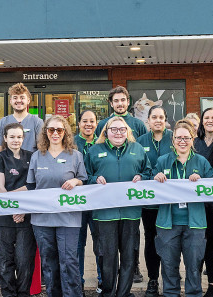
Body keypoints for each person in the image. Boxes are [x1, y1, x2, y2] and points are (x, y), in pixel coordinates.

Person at [85, 116, 151, 297]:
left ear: (128, 131)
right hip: (104, 214)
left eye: (122, 129)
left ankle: (124, 293)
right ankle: (108, 293)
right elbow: (85, 176)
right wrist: (94, 179)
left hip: (131, 213)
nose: (118, 132)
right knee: (108, 257)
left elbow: (148, 171)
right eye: (113, 129)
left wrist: (142, 177)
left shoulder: (137, 149)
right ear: (106, 132)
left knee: (129, 257)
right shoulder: (94, 150)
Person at [152, 120, 213, 297]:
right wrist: (156, 178)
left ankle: (194, 294)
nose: (182, 141)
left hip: (195, 223)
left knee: (193, 265)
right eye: (178, 137)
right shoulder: (163, 161)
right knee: (169, 265)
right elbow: (149, 188)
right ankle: (171, 294)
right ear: (173, 140)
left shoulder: (201, 162)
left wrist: (202, 180)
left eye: (186, 138)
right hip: (167, 223)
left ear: (192, 139)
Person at [28, 115, 88, 297]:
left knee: (69, 260)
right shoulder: (37, 156)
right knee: (48, 261)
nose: (55, 133)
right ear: (45, 132)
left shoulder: (75, 156)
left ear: (65, 133)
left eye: (59, 130)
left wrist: (75, 181)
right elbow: (31, 186)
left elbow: (84, 180)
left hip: (68, 218)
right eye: (51, 130)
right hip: (42, 219)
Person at [135, 105, 174, 297]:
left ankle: (171, 277)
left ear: (166, 119)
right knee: (151, 240)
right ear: (148, 121)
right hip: (149, 203)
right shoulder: (140, 141)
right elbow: (139, 167)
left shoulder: (174, 138)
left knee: (170, 240)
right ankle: (152, 279)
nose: (158, 120)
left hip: (171, 202)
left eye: (161, 117)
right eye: (154, 117)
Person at [0, 122, 35, 297]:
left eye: (19, 137)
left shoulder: (32, 157)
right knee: (5, 261)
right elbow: (0, 188)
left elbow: (32, 185)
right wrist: (13, 207)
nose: (15, 140)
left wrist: (21, 208)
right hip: (4, 217)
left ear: (23, 138)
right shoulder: (0, 157)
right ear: (5, 138)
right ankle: (8, 294)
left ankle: (23, 293)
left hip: (25, 216)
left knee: (25, 261)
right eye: (12, 137)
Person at [194, 108, 213, 297]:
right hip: (195, 202)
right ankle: (194, 282)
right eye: (207, 117)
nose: (210, 120)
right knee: (196, 243)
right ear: (201, 121)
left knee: (211, 243)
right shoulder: (194, 143)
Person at [74, 110, 103, 291]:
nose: (88, 124)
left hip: (97, 201)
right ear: (79, 123)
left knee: (100, 243)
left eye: (92, 121)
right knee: (77, 244)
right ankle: (78, 282)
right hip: (76, 201)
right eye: (85, 121)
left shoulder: (102, 143)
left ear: (96, 123)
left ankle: (102, 280)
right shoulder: (71, 143)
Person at [0, 83, 44, 155]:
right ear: (10, 101)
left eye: (22, 97)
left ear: (28, 100)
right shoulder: (2, 123)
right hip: (8, 165)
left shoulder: (37, 122)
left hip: (30, 164)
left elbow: (42, 149)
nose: (19, 100)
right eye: (15, 98)